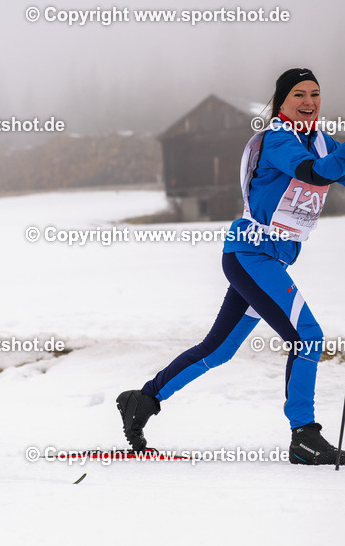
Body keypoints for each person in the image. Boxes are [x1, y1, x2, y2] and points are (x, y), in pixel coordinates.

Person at [117, 67, 345, 465]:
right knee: (307, 336)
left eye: (315, 94)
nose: (309, 102)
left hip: (268, 260)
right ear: (282, 102)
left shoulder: (322, 142)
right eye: (299, 95)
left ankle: (144, 399)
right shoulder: (278, 138)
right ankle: (304, 437)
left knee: (219, 349)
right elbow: (312, 172)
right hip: (251, 255)